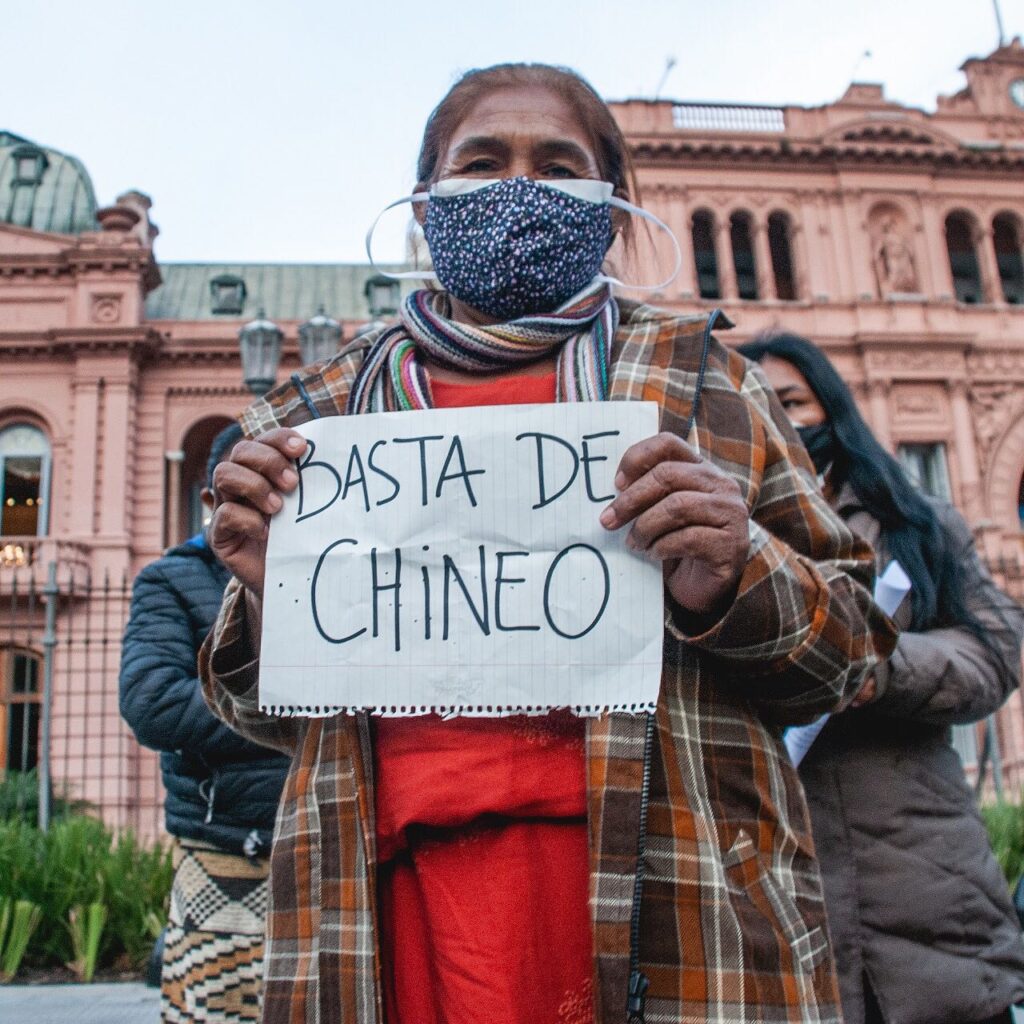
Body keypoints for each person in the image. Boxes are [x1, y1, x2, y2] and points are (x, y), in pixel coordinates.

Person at [200, 64, 895, 1024]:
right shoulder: (312, 422)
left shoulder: (711, 385)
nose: (518, 187)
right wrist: (274, 599)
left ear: (608, 209)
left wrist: (736, 575)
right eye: (480, 162)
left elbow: (852, 655)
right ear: (427, 203)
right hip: (382, 922)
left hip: (676, 904)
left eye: (557, 165)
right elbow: (255, 714)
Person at [738, 332, 1024, 1024]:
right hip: (773, 908)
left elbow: (996, 650)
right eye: (758, 407)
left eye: (794, 402)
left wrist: (880, 667)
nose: (781, 421)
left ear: (833, 410)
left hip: (930, 908)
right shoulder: (709, 549)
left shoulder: (916, 527)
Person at [120, 423, 290, 1024]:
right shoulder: (170, 579)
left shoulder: (327, 571)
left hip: (325, 850)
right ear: (211, 501)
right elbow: (152, 702)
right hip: (228, 858)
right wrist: (297, 707)